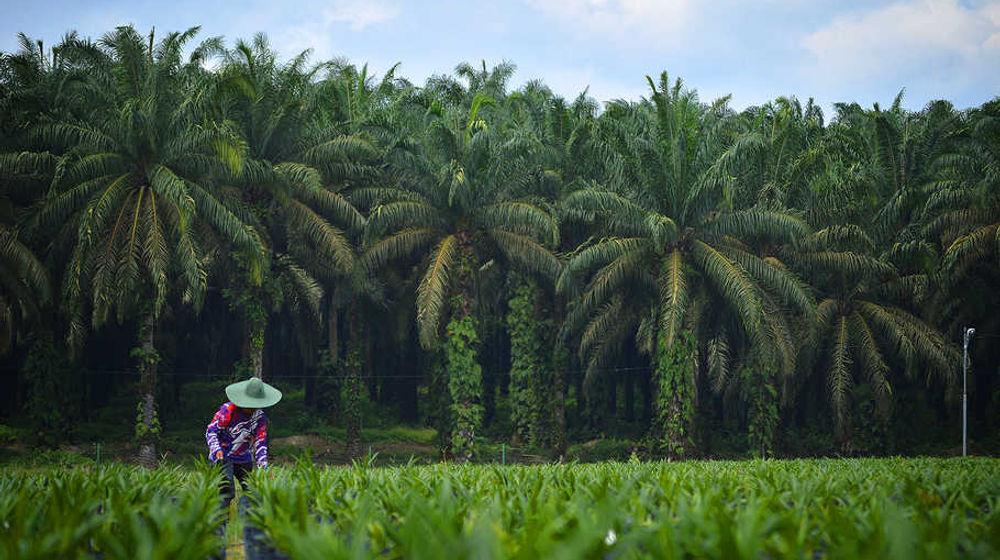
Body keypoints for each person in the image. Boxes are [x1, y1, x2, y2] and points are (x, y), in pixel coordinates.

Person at [206, 376, 282, 506]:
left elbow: (260, 442)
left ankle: (248, 519)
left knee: (253, 489)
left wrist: (264, 467)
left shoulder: (260, 417)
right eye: (250, 405)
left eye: (256, 405)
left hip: (243, 457)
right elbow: (211, 431)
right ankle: (220, 521)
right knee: (226, 490)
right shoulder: (227, 411)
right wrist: (216, 449)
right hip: (223, 455)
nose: (252, 409)